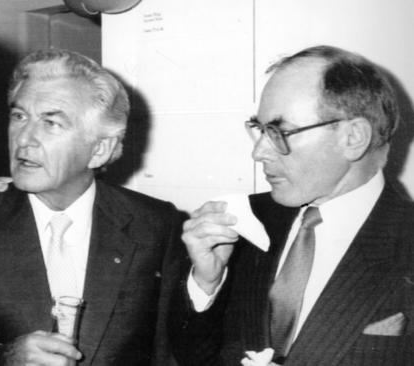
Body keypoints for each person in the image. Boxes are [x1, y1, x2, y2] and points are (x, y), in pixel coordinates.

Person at [0, 48, 185, 366]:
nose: (25, 138)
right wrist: (0, 358)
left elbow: (168, 353)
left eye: (51, 123)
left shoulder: (156, 225)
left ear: (99, 150)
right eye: (19, 116)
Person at [169, 45, 414, 366]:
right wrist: (206, 284)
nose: (259, 152)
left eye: (280, 131)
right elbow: (194, 356)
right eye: (259, 129)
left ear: (353, 137)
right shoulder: (243, 223)